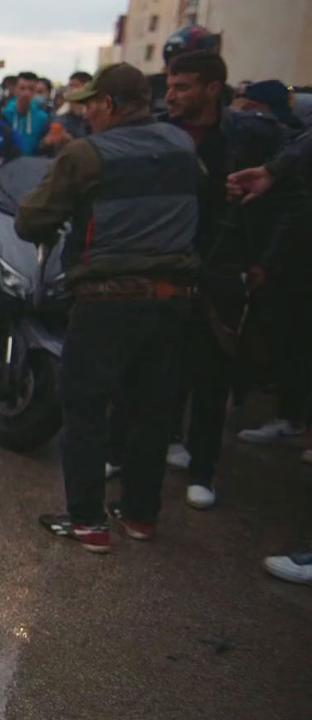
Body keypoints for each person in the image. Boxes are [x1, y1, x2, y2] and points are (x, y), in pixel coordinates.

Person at [16, 63, 202, 552]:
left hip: (106, 305)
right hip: (172, 304)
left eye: (92, 105)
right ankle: (141, 517)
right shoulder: (183, 145)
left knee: (85, 410)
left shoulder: (86, 154)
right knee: (151, 414)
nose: (87, 114)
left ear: (110, 106)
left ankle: (87, 522)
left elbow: (33, 220)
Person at [158, 51, 289, 511]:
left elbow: (279, 200)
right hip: (165, 265)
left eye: (183, 86)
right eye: (170, 85)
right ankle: (141, 449)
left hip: (221, 268)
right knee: (153, 366)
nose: (171, 95)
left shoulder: (250, 136)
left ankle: (202, 469)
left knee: (212, 374)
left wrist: (261, 261)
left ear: (213, 88)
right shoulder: (159, 131)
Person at [3, 72, 51, 155]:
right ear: (15, 90)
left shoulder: (43, 118)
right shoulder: (4, 115)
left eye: (31, 89)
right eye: (22, 88)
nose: (26, 93)